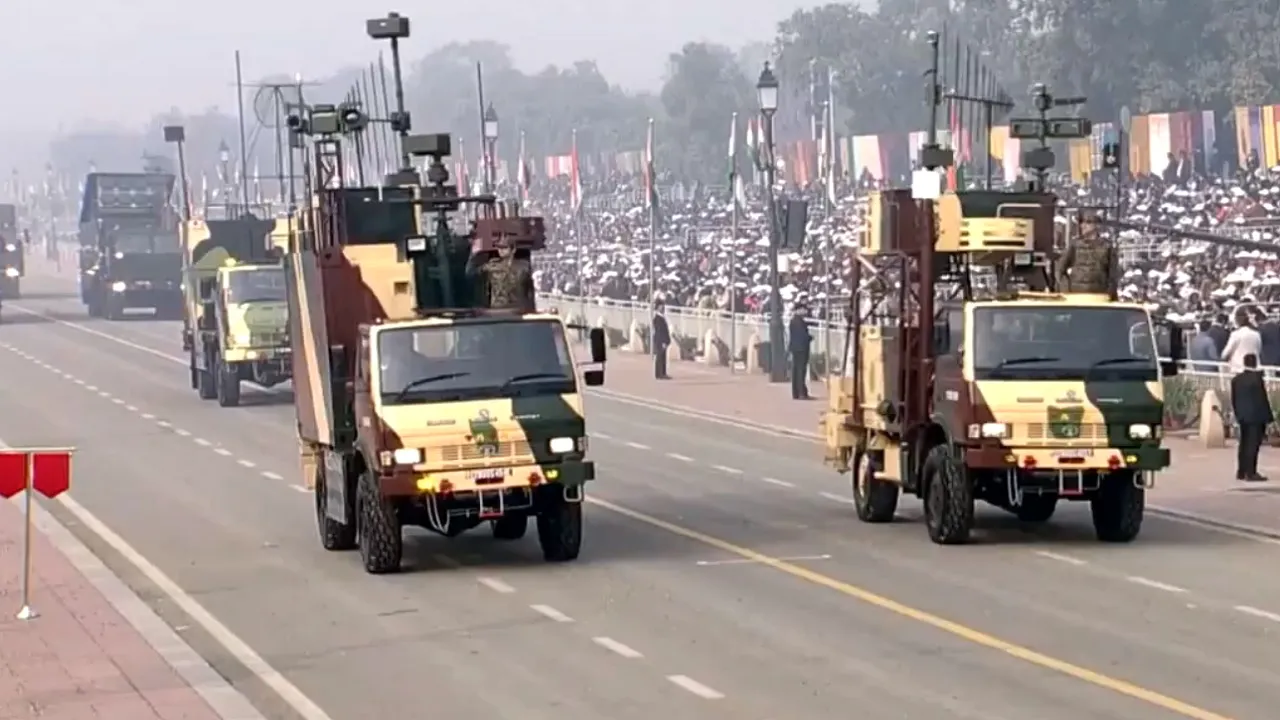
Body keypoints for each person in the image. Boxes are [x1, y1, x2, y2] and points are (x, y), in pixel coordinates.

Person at [1231, 353, 1272, 482]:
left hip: (1242, 416)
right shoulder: (1257, 380)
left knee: (1243, 443)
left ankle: (1241, 471)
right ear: (1255, 363)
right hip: (1256, 417)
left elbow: (1234, 399)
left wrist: (1237, 414)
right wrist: (1268, 417)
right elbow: (1262, 399)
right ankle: (1251, 472)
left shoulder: (1236, 379)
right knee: (1253, 445)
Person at [1222, 309, 1263, 373]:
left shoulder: (1235, 334)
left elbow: (1226, 353)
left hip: (1239, 368)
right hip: (1255, 368)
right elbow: (1259, 350)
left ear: (1237, 320)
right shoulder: (1256, 334)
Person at [788, 305, 812, 399]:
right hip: (801, 349)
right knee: (801, 370)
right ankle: (802, 392)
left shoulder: (793, 321)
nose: (805, 311)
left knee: (796, 370)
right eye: (803, 309)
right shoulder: (800, 322)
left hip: (795, 348)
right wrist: (809, 338)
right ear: (799, 310)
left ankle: (796, 392)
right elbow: (802, 336)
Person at [651, 301, 670, 380]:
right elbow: (660, 331)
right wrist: (663, 341)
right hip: (660, 340)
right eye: (661, 307)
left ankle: (663, 372)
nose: (663, 308)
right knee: (659, 357)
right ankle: (659, 374)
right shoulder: (658, 318)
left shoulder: (662, 317)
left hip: (662, 340)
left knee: (663, 356)